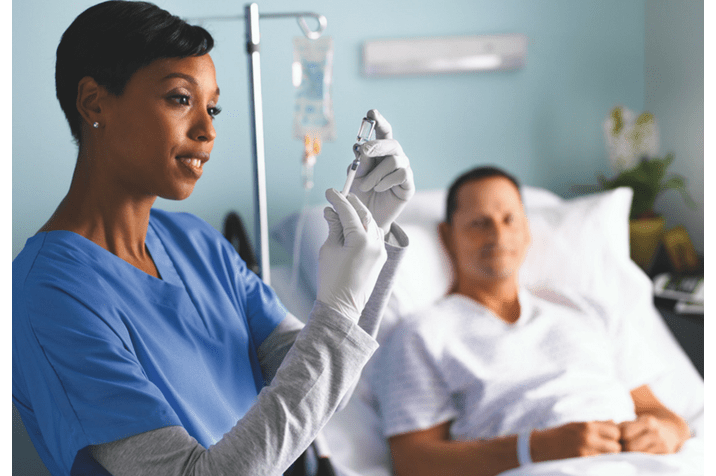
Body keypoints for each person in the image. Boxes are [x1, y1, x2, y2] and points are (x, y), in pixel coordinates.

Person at [12, 2, 414, 475]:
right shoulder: (49, 294)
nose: (208, 131)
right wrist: (338, 309)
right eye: (181, 99)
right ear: (95, 103)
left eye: (213, 107)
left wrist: (373, 231)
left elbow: (325, 388)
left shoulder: (197, 245)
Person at [369, 166, 691, 476]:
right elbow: (414, 462)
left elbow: (661, 413)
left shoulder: (588, 310)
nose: (498, 234)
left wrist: (666, 432)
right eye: (480, 223)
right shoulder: (423, 334)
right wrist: (532, 449)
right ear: (447, 235)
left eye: (509, 219)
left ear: (526, 229)